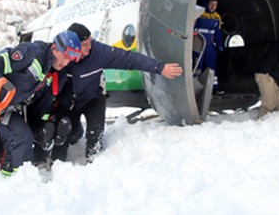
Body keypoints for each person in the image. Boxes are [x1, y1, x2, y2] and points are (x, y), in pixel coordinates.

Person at [0, 30, 83, 176]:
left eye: (73, 58)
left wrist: (39, 128)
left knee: (18, 137)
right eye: (66, 55)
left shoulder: (52, 71)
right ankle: (13, 177)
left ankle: (9, 176)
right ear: (55, 47)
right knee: (13, 138)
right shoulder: (33, 51)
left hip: (6, 106)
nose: (66, 62)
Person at [52, 23, 183, 163]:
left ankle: (94, 163)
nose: (90, 46)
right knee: (64, 132)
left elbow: (129, 59)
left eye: (90, 42)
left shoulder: (98, 52)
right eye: (85, 44)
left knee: (95, 134)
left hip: (93, 98)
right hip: (68, 102)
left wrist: (160, 68)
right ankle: (58, 164)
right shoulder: (62, 56)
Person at [193, 0, 224, 93]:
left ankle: (213, 89)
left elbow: (217, 33)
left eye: (215, 4)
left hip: (210, 47)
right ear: (207, 3)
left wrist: (219, 45)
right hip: (198, 45)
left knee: (212, 68)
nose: (213, 6)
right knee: (197, 67)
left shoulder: (217, 17)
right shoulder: (199, 13)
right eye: (211, 4)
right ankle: (194, 89)